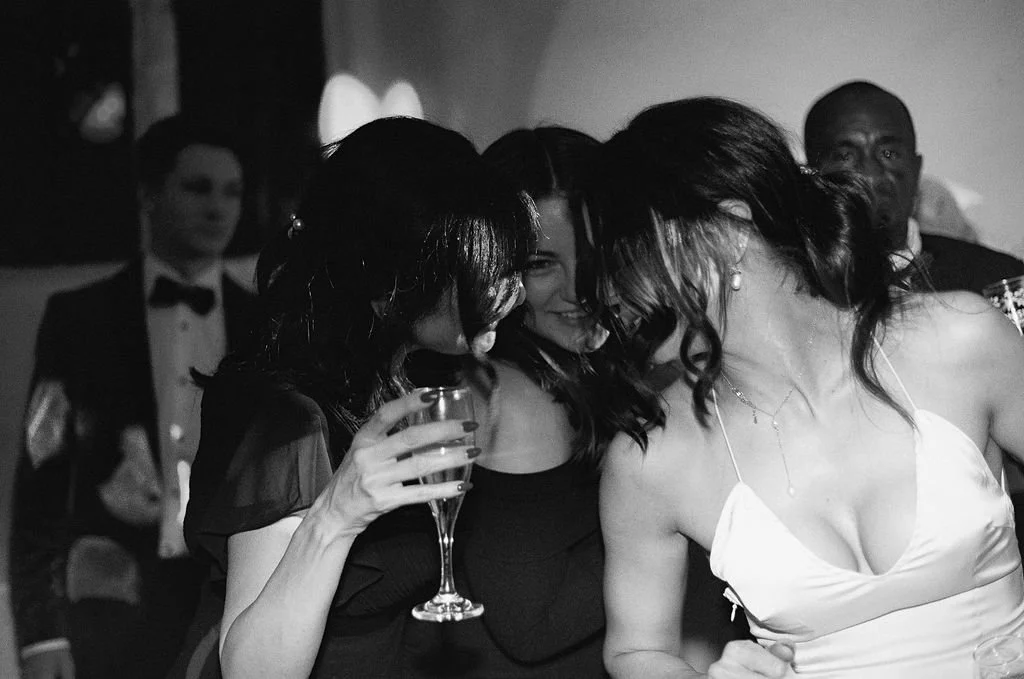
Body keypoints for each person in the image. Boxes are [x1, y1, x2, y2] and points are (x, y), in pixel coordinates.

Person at [593, 97, 1024, 678]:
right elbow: (635, 652)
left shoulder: (958, 341)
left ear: (729, 229)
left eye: (628, 257)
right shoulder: (650, 461)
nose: (614, 294)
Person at [180, 116, 537, 678]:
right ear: (397, 270)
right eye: (480, 270)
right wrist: (337, 514)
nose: (503, 292)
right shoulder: (288, 418)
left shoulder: (402, 384)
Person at [10, 115, 256, 679]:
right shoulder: (81, 318)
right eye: (198, 187)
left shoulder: (262, 323)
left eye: (232, 192)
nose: (218, 207)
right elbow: (41, 477)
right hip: (110, 610)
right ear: (149, 195)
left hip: (232, 604)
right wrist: (39, 634)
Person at [803, 80, 1024, 292]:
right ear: (811, 175)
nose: (871, 174)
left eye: (888, 153)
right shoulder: (789, 288)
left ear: (916, 169)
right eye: (845, 156)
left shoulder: (998, 278)